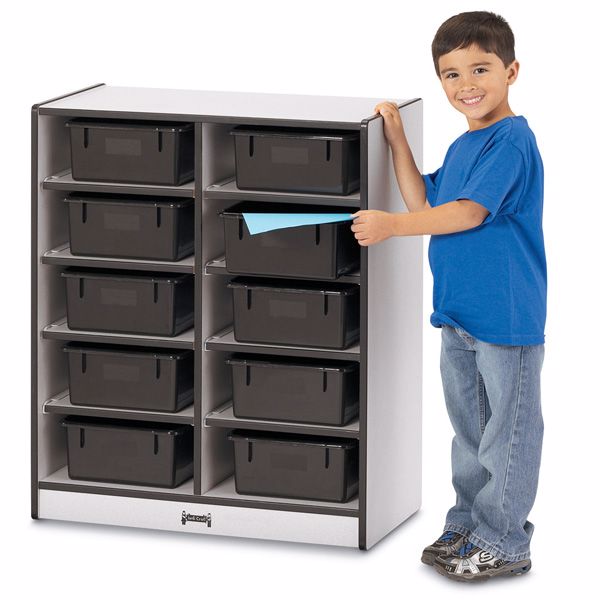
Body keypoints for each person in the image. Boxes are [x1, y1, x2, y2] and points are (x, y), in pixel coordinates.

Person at [350, 11, 546, 582]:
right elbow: (424, 204)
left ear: (511, 71)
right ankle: (468, 523)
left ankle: (505, 540)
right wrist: (396, 141)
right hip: (458, 315)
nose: (466, 85)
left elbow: (466, 214)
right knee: (470, 432)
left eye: (480, 69)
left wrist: (389, 228)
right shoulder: (466, 145)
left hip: (505, 317)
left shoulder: (511, 141)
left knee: (507, 433)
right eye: (451, 74)